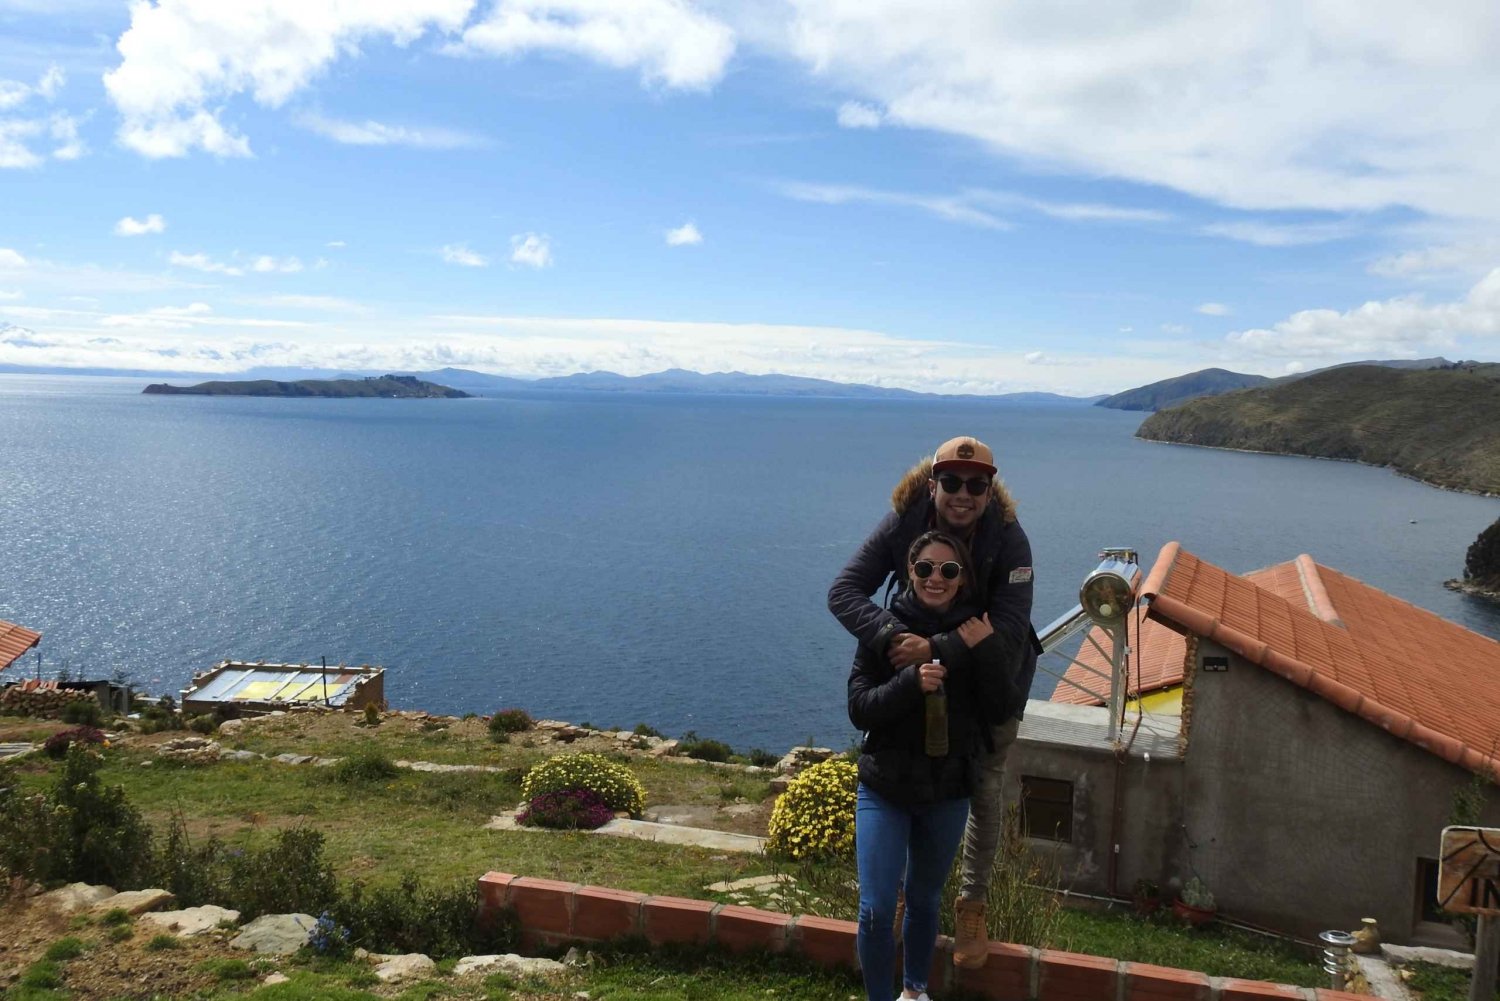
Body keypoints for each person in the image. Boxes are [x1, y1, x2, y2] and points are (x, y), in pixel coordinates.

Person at [829, 435, 1039, 968]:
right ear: (933, 484)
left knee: (982, 786)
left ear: (990, 490)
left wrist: (936, 647)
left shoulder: (1009, 539)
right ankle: (902, 899)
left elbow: (1010, 629)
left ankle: (972, 903)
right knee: (903, 773)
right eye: (951, 482)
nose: (962, 494)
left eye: (975, 485)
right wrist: (891, 638)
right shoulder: (904, 521)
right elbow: (845, 591)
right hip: (917, 673)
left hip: (989, 684)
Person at [848, 530, 1021, 1001]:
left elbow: (1002, 705)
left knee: (924, 900)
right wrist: (910, 683)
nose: (935, 579)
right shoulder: (886, 630)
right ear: (910, 572)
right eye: (925, 568)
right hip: (885, 789)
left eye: (948, 570)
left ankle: (916, 992)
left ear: (963, 578)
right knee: (876, 909)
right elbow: (859, 707)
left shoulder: (976, 633)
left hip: (947, 793)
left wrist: (984, 650)